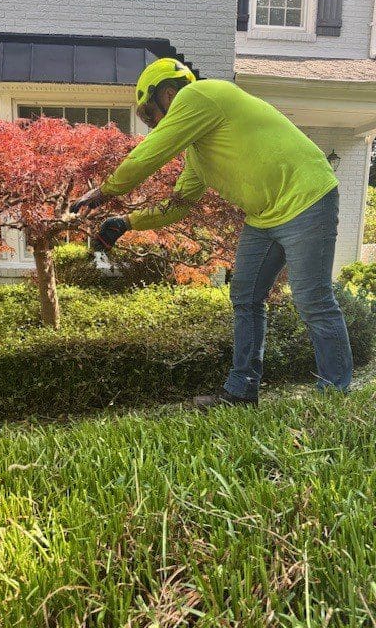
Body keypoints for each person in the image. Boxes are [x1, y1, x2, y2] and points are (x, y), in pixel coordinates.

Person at [71, 58, 353, 407]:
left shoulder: (204, 93)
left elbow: (151, 152)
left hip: (308, 197)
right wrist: (126, 223)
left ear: (169, 93)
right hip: (263, 218)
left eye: (150, 114)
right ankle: (241, 392)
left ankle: (336, 394)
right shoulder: (199, 156)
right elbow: (177, 205)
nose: (153, 124)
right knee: (245, 298)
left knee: (312, 299)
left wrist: (107, 190)